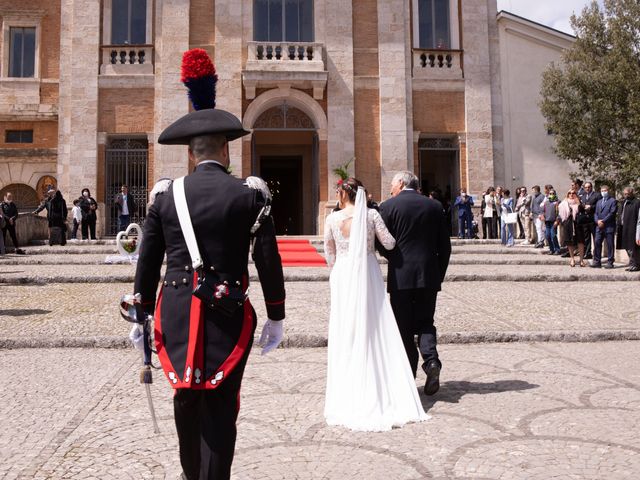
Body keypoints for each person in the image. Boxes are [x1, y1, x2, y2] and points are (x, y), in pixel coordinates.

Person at [133, 48, 286, 480]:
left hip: (177, 312)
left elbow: (148, 259)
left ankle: (190, 472)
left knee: (185, 396)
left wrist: (140, 312)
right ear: (226, 150)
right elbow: (268, 260)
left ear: (190, 154)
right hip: (229, 311)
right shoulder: (250, 194)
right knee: (223, 402)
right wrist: (276, 314)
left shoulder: (165, 195)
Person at [323, 177, 427, 431]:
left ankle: (348, 386)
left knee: (346, 326)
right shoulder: (371, 215)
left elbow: (329, 253)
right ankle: (379, 381)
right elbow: (390, 242)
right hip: (367, 270)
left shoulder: (332, 219)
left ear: (343, 194)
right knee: (374, 324)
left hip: (344, 273)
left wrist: (340, 266)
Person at [378, 171, 451, 396]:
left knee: (404, 328)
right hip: (428, 275)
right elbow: (445, 246)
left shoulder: (388, 207)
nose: (391, 188)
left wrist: (393, 259)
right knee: (426, 322)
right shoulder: (434, 206)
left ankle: (408, 377)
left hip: (400, 276)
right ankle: (431, 363)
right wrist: (438, 274)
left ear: (401, 183)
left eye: (392, 184)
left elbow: (382, 243)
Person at [557, 191, 586, 267]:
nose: (571, 194)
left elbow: (584, 210)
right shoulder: (564, 203)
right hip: (568, 224)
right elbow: (560, 214)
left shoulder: (579, 202)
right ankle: (572, 259)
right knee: (570, 242)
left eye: (573, 193)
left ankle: (581, 260)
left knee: (580, 241)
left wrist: (578, 203)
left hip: (578, 223)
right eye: (569, 193)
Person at [592, 185, 617, 269]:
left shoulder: (613, 201)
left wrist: (603, 221)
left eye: (605, 190)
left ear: (608, 191)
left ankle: (610, 262)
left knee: (610, 244)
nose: (603, 192)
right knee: (597, 242)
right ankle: (597, 261)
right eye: (602, 190)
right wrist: (597, 221)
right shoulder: (599, 202)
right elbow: (595, 213)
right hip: (599, 227)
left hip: (608, 226)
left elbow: (612, 213)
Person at [619, 187, 640, 272]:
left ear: (632, 193)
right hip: (624, 227)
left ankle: (635, 264)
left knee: (633, 247)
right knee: (627, 247)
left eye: (628, 194)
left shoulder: (637, 202)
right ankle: (632, 263)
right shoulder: (624, 202)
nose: (626, 196)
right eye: (625, 194)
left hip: (633, 227)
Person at [580, 182, 600, 260]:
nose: (587, 188)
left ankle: (596, 254)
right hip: (585, 219)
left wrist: (591, 207)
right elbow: (581, 205)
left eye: (589, 187)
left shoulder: (597, 195)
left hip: (593, 219)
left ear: (591, 187)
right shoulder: (583, 196)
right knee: (586, 237)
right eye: (586, 187)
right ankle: (588, 253)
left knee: (596, 237)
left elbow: (599, 205)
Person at [542, 189, 560, 255]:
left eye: (553, 193)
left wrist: (557, 220)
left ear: (555, 194)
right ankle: (551, 249)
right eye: (550, 193)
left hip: (554, 221)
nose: (551, 195)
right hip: (547, 221)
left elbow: (558, 213)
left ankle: (557, 249)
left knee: (553, 235)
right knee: (547, 236)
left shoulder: (557, 202)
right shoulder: (546, 202)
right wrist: (543, 216)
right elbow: (543, 211)